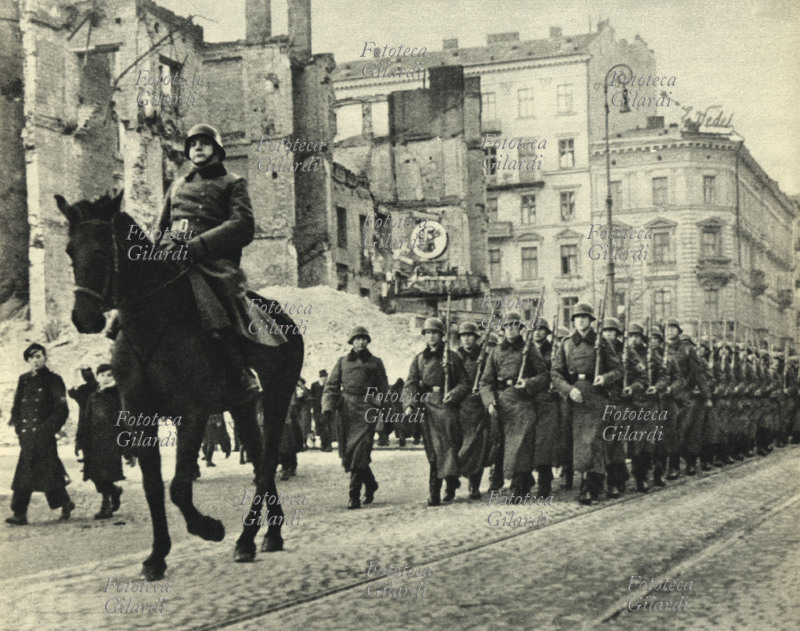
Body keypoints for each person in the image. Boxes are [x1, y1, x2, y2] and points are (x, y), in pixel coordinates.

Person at [156, 123, 281, 403]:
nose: (197, 148)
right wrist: (163, 249)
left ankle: (241, 369)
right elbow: (160, 227)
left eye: (204, 143)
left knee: (218, 299)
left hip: (213, 261)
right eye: (192, 144)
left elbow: (242, 224)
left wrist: (198, 246)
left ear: (217, 149)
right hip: (172, 257)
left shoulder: (232, 183)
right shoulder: (177, 185)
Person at [551, 303, 621, 505]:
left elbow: (618, 370)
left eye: (584, 317)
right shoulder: (566, 344)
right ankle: (587, 481)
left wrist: (605, 379)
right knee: (577, 442)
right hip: (573, 396)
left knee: (592, 441)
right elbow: (555, 373)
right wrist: (568, 389)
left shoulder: (603, 343)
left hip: (595, 396)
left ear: (591, 320)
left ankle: (589, 486)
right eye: (577, 317)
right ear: (573, 321)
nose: (580, 320)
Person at [480, 312, 549, 498]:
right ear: (502, 329)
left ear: (520, 328)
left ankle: (517, 488)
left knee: (519, 444)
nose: (510, 329)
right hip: (502, 401)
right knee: (501, 445)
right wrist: (489, 402)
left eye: (514, 325)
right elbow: (485, 382)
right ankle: (518, 480)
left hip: (523, 401)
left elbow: (544, 376)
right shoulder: (495, 352)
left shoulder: (529, 349)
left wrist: (528, 383)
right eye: (507, 326)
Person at [6, 343, 74, 525]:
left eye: (39, 356)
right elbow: (17, 406)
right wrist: (19, 428)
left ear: (45, 358)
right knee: (24, 473)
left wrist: (48, 429)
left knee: (49, 473)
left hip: (44, 435)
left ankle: (65, 502)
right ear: (27, 360)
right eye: (31, 357)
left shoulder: (54, 380)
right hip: (27, 435)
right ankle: (19, 513)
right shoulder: (24, 379)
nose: (35, 360)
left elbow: (61, 409)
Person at [405, 318, 470, 506]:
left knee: (447, 447)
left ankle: (447, 485)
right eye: (427, 333)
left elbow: (465, 383)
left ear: (442, 335)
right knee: (433, 451)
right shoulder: (419, 359)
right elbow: (410, 383)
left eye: (435, 332)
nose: (431, 336)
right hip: (427, 408)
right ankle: (437, 489)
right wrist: (409, 403)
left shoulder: (452, 357)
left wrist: (454, 394)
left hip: (446, 406)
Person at [323, 326, 390, 509]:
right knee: (350, 452)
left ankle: (354, 495)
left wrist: (385, 411)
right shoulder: (342, 362)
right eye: (357, 339)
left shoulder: (376, 362)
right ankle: (371, 484)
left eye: (364, 339)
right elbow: (331, 386)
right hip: (347, 411)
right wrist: (328, 407)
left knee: (360, 450)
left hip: (368, 409)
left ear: (368, 341)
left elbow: (384, 388)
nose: (360, 342)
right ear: (351, 341)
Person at [76, 364, 127, 519]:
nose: (106, 378)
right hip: (93, 442)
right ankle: (114, 491)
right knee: (94, 474)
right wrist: (80, 441)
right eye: (102, 375)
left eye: (110, 375)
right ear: (97, 377)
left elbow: (123, 422)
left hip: (111, 443)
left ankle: (106, 506)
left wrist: (127, 446)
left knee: (106, 474)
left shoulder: (119, 397)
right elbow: (85, 420)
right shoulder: (92, 397)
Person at [455, 322, 489, 499]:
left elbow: (490, 379)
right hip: (458, 406)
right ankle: (451, 482)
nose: (466, 338)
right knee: (455, 446)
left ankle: (474, 485)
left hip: (478, 406)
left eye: (470, 335)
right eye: (463, 336)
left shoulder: (485, 356)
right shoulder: (454, 356)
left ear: (476, 338)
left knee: (477, 448)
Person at [310, 370, 332, 451]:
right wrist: (312, 407)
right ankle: (323, 444)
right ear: (320, 377)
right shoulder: (314, 385)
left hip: (326, 409)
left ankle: (328, 445)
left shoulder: (328, 386)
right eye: (323, 377)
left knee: (326, 426)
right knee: (319, 427)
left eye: (325, 377)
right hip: (317, 409)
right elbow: (311, 397)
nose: (324, 378)